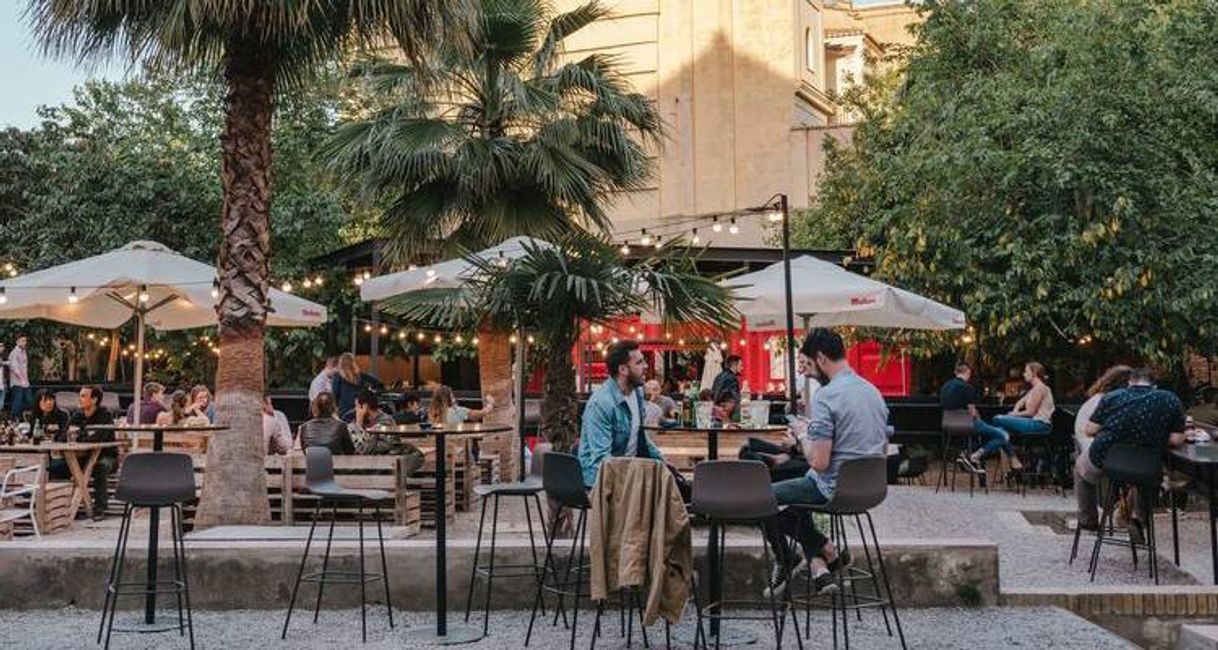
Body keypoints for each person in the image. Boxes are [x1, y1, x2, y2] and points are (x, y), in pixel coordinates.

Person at [763, 328, 889, 598]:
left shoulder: (826, 396)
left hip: (832, 488)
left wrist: (802, 435)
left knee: (759, 498)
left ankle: (817, 551)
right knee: (794, 498)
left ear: (821, 358)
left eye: (808, 365)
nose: (807, 373)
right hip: (872, 489)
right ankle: (826, 556)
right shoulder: (873, 392)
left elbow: (819, 463)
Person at [1076, 367, 1186, 538]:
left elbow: (1089, 430)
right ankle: (1138, 519)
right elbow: (1175, 441)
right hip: (1145, 463)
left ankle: (1088, 521)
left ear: (1129, 383)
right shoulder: (1170, 399)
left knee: (1080, 472)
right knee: (1148, 479)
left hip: (1105, 458)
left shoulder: (1112, 397)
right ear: (1154, 386)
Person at [578, 339, 667, 488]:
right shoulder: (601, 404)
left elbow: (641, 437)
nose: (645, 366)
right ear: (623, 370)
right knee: (657, 497)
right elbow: (603, 461)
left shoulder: (637, 393)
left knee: (671, 489)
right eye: (639, 363)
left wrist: (663, 464)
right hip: (600, 480)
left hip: (630, 473)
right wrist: (635, 478)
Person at [740, 351, 819, 482]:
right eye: (800, 362)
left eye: (804, 362)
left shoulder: (823, 393)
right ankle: (762, 478)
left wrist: (795, 449)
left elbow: (820, 454)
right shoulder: (810, 382)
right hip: (801, 451)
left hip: (808, 463)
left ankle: (762, 485)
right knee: (749, 445)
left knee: (749, 455)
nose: (801, 366)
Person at [969, 362, 1055, 472]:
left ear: (1034, 373)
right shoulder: (1033, 389)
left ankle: (1011, 457)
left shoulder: (1040, 388)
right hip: (1033, 422)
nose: (1024, 374)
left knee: (998, 419)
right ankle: (979, 455)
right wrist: (1015, 410)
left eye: (1026, 371)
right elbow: (1020, 402)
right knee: (1002, 432)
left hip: (1040, 424)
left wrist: (1013, 415)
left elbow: (1031, 412)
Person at [64, 386, 116, 520]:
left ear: (94, 400)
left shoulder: (105, 415)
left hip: (106, 456)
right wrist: (85, 434)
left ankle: (100, 508)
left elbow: (99, 437)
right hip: (80, 457)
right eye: (80, 395)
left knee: (100, 467)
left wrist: (78, 435)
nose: (80, 399)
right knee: (56, 466)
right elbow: (62, 436)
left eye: (83, 396)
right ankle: (59, 506)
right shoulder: (77, 415)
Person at [1073, 365, 1133, 464]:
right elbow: (1092, 430)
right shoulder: (1104, 400)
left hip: (1091, 445)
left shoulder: (1102, 398)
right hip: (1091, 449)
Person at [331, 353, 383, 422]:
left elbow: (334, 395)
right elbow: (378, 383)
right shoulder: (360, 375)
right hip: (361, 410)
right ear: (353, 363)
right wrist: (370, 390)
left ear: (340, 365)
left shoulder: (338, 376)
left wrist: (335, 410)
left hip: (344, 413)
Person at [427, 385, 494, 426]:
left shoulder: (432, 413)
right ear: (449, 398)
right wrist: (490, 403)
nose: (454, 397)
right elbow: (480, 414)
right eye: (452, 395)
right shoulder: (456, 411)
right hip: (457, 445)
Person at [7, 335, 31, 420]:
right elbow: (15, 368)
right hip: (17, 383)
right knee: (17, 403)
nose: (25, 342)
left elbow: (25, 368)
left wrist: (26, 381)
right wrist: (22, 379)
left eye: (25, 341)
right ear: (17, 342)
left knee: (29, 401)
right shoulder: (14, 353)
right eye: (22, 340)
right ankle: (12, 420)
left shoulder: (24, 352)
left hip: (25, 383)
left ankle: (22, 418)